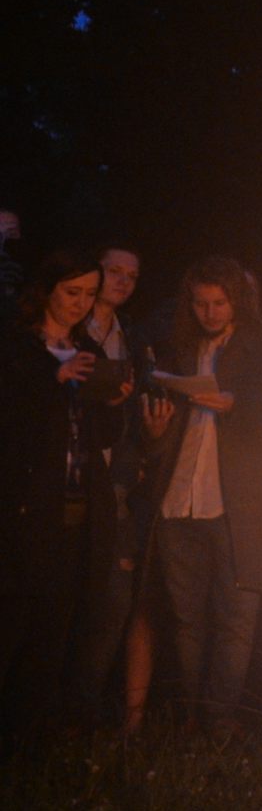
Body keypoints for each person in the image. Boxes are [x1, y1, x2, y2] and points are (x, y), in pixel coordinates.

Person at [140, 256, 262, 731]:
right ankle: (188, 716)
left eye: (218, 302)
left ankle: (219, 723)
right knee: (186, 620)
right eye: (200, 303)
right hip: (178, 500)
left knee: (236, 620)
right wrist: (156, 431)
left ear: (236, 301)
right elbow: (155, 434)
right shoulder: (177, 349)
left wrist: (235, 406)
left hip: (235, 506)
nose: (209, 312)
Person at [0, 251, 111, 738]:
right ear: (48, 290)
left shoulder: (90, 350)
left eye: (89, 294)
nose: (80, 303)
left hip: (75, 506)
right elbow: (14, 419)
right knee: (14, 618)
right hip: (25, 508)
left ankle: (30, 741)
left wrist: (115, 401)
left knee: (55, 626)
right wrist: (55, 379)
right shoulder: (19, 349)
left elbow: (98, 432)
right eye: (72, 292)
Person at [73, 244, 147, 725]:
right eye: (113, 272)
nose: (121, 281)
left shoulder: (132, 341)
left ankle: (82, 713)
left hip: (116, 485)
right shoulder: (72, 331)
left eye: (131, 276)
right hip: (73, 479)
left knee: (115, 602)